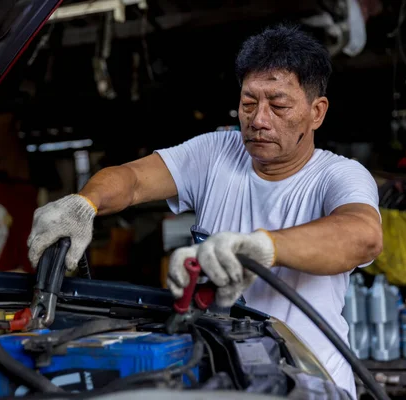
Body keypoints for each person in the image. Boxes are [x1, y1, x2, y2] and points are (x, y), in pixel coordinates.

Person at [27, 24, 382, 396]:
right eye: (248, 103)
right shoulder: (216, 153)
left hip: (311, 383)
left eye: (278, 105)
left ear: (316, 113)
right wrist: (85, 203)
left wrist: (260, 247)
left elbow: (362, 236)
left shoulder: (338, 175)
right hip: (223, 379)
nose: (259, 119)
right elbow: (131, 178)